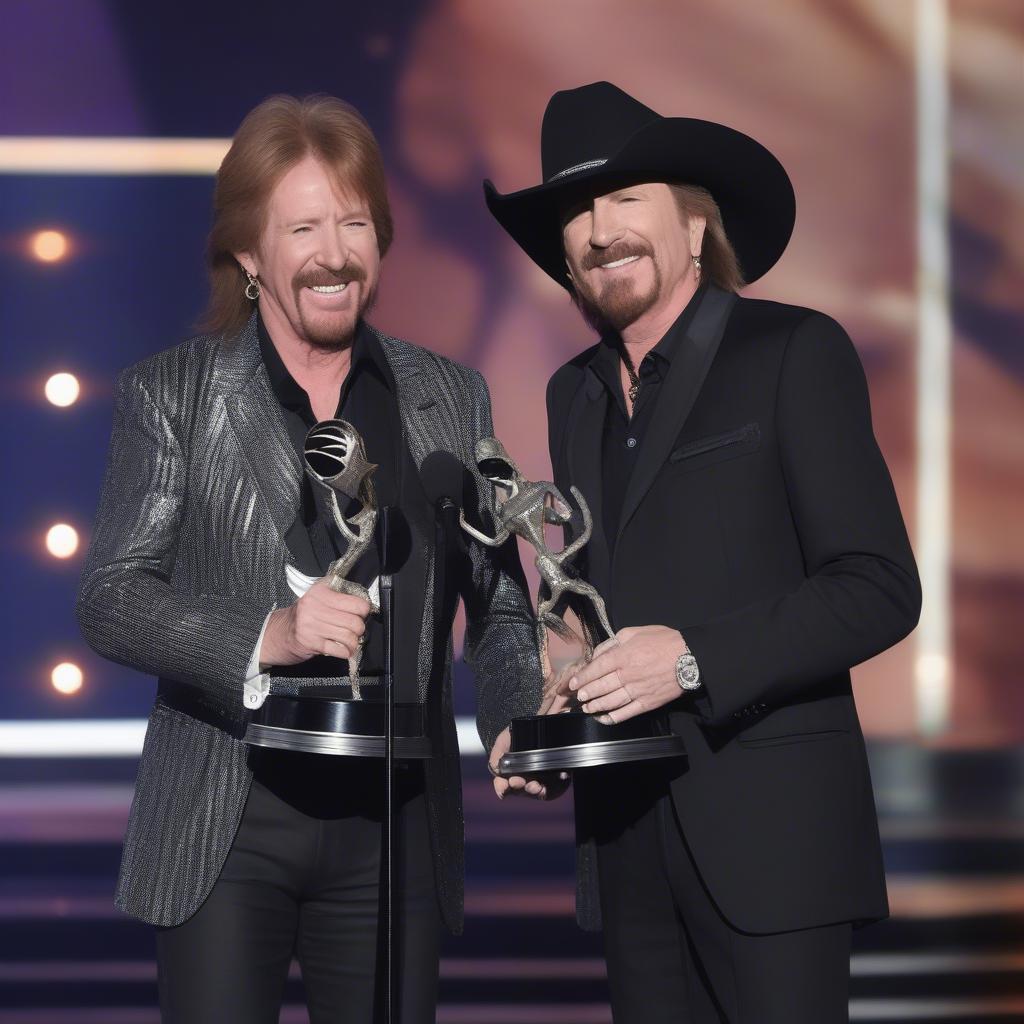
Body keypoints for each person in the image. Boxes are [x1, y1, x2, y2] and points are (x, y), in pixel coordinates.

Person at [77, 93, 542, 1024]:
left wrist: (519, 710)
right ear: (249, 253)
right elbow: (111, 596)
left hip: (394, 820)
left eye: (355, 222)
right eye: (303, 226)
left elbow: (497, 602)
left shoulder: (448, 395)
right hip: (228, 813)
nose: (334, 252)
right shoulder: (177, 395)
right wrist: (269, 634)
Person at [484, 81, 922, 1023]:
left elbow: (880, 586)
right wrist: (553, 695)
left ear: (694, 224)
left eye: (625, 199)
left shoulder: (794, 351)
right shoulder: (573, 395)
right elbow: (590, 593)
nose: (601, 231)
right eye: (576, 212)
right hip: (628, 839)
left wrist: (688, 660)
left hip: (775, 843)